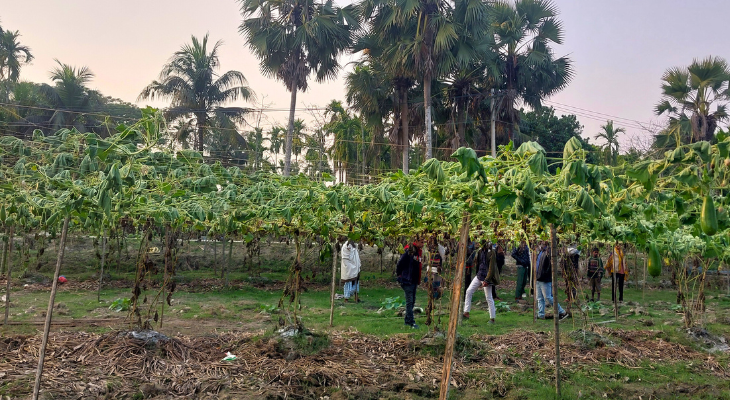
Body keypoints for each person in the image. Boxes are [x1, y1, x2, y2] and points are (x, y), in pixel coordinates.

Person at [463, 241, 498, 324]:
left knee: (488, 297)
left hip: (486, 277)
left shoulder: (491, 252)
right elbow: (479, 263)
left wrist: (487, 280)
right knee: (469, 291)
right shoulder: (480, 251)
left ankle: (492, 318)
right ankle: (466, 312)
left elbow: (491, 268)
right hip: (479, 275)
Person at [535, 244, 568, 320]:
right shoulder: (541, 252)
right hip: (538, 278)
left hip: (545, 279)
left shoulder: (549, 252)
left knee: (548, 297)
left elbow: (550, 266)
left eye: (541, 242)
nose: (540, 244)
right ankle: (541, 314)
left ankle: (562, 312)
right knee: (539, 298)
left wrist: (545, 275)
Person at [396, 238, 423, 329]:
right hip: (407, 280)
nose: (423, 244)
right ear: (416, 241)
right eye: (422, 242)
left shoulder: (418, 251)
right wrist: (400, 274)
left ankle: (407, 321)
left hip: (413, 280)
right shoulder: (409, 250)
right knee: (409, 301)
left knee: (412, 301)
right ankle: (412, 322)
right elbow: (400, 263)